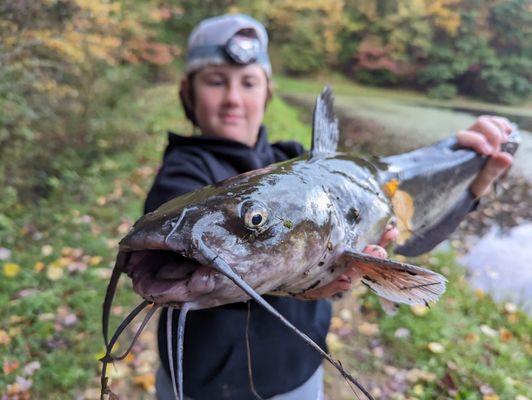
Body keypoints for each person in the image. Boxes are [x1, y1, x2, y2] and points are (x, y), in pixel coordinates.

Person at [142, 13, 514, 400]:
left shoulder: (295, 160)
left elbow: (406, 239)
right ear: (189, 91)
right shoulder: (182, 175)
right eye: (216, 81)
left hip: (303, 376)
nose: (234, 98)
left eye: (248, 82)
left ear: (268, 91)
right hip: (200, 387)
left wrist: (474, 185)